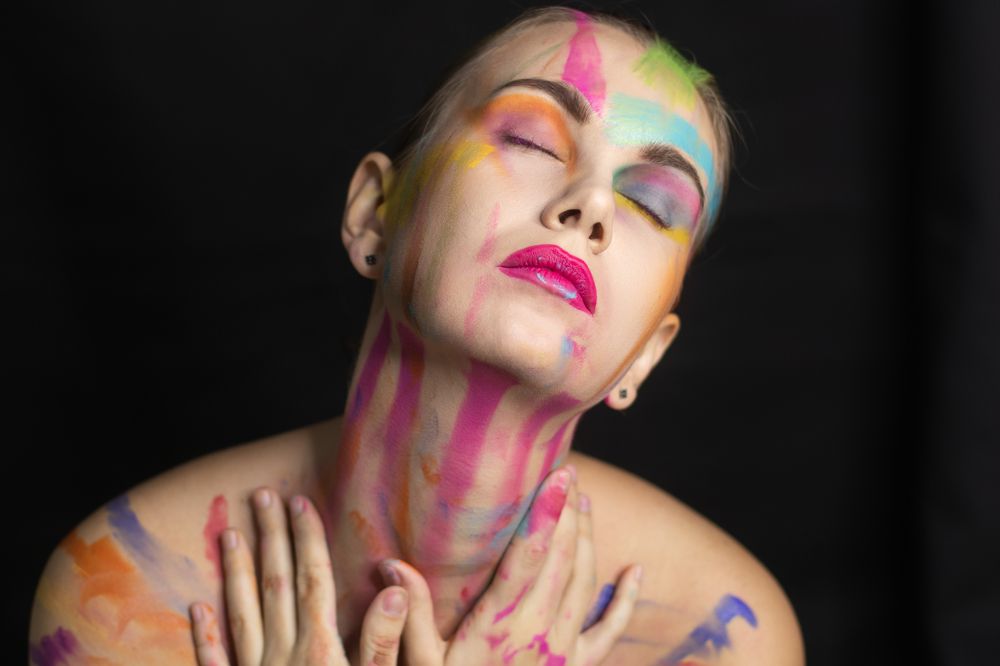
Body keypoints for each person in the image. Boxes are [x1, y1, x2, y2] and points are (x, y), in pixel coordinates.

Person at [28, 6, 804, 665]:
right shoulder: (123, 593)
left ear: (648, 353)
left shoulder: (719, 636)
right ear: (375, 214)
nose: (591, 205)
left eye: (654, 204)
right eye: (532, 141)